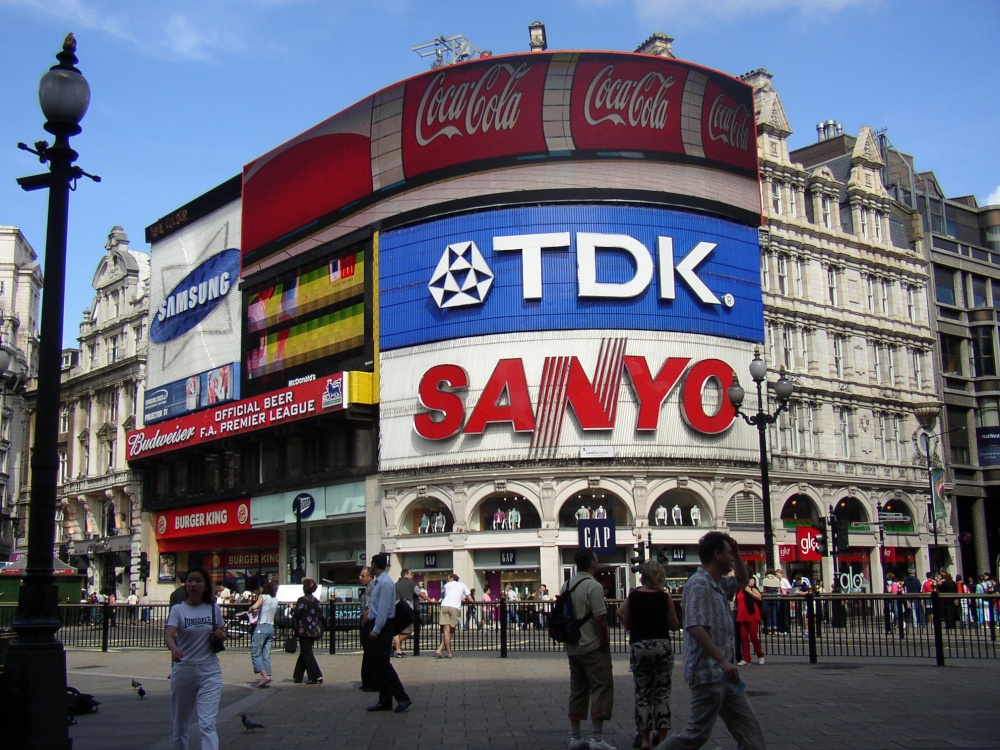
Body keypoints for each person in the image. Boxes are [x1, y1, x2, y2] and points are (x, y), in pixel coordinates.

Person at [659, 532, 766, 750]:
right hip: (708, 674)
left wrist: (737, 552)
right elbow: (696, 627)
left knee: (750, 731)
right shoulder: (699, 584)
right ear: (717, 555)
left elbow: (743, 581)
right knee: (695, 735)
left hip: (727, 676)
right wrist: (722, 661)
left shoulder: (719, 583)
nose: (732, 558)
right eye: (728, 554)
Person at [616, 560, 680, 750]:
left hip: (640, 647)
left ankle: (644, 740)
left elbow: (626, 623)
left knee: (642, 695)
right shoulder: (664, 597)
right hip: (661, 646)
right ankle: (661, 738)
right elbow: (674, 625)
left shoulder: (633, 597)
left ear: (642, 576)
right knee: (662, 694)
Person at [164, 565, 227, 750]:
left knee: (207, 723)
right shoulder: (178, 610)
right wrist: (174, 649)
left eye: (198, 581)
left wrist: (221, 635)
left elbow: (221, 630)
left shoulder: (213, 608)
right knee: (180, 724)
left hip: (209, 670)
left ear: (206, 585)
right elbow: (169, 634)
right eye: (190, 580)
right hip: (184, 670)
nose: (193, 584)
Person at [564, 548, 615, 750]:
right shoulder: (594, 587)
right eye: (596, 558)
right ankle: (597, 738)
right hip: (592, 645)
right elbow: (600, 619)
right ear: (592, 563)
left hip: (573, 647)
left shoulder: (566, 585)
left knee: (577, 691)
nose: (598, 560)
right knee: (601, 688)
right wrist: (605, 645)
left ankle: (576, 737)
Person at [365, 553, 412, 713]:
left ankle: (402, 697)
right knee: (378, 664)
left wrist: (376, 630)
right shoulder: (379, 582)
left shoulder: (384, 583)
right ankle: (384, 700)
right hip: (379, 624)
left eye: (371, 564)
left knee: (383, 664)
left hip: (383, 626)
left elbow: (383, 609)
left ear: (374, 565)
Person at [291, 578, 326, 684]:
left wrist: (291, 608)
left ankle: (316, 676)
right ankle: (298, 676)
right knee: (304, 652)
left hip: (304, 630)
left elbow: (297, 614)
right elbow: (320, 615)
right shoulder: (316, 601)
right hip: (313, 630)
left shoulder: (302, 600)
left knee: (307, 653)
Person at [394, 568, 431, 657]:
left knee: (396, 631)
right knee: (409, 631)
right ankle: (395, 646)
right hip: (406, 610)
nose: (412, 576)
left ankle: (398, 649)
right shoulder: (411, 583)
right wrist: (430, 600)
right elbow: (420, 593)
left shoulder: (395, 584)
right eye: (410, 574)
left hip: (395, 608)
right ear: (406, 574)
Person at [248, 580, 278, 687]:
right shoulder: (275, 600)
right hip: (270, 627)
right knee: (266, 654)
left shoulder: (263, 597)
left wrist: (250, 609)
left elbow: (255, 607)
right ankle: (267, 676)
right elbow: (275, 615)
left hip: (261, 627)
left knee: (255, 652)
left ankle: (264, 675)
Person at [436, 572, 470, 658]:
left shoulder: (446, 586)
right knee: (451, 631)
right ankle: (448, 653)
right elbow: (470, 598)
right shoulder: (462, 585)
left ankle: (440, 650)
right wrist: (467, 600)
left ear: (452, 578)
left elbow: (450, 594)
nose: (447, 580)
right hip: (455, 607)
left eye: (448, 578)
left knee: (446, 631)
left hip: (444, 605)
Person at [735, 580, 765, 667]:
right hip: (742, 614)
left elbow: (759, 597)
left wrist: (750, 591)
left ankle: (760, 655)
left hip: (751, 614)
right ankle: (746, 658)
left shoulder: (752, 588)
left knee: (753, 636)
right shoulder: (739, 589)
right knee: (744, 638)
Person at [358, 566, 377, 691]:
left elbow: (368, 609)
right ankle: (367, 682)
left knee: (370, 653)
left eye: (363, 576)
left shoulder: (371, 588)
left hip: (369, 623)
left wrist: (363, 624)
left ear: (370, 576)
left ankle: (371, 683)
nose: (360, 578)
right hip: (368, 622)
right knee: (367, 653)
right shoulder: (368, 588)